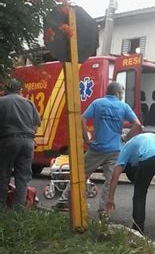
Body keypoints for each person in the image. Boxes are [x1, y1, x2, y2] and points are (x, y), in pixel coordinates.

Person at [53, 82, 142, 215]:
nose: (122, 96)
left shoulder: (97, 103)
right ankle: (103, 210)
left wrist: (86, 139)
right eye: (122, 93)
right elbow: (138, 124)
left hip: (97, 148)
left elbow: (82, 119)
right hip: (115, 150)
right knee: (110, 180)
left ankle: (63, 201)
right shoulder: (123, 106)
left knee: (81, 175)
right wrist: (125, 138)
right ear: (117, 93)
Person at [0, 79, 41, 210]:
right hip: (28, 143)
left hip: (8, 141)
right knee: (22, 178)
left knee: (3, 175)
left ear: (5, 89)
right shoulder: (29, 103)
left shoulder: (2, 102)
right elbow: (36, 126)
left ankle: (1, 207)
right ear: (20, 90)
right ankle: (18, 211)